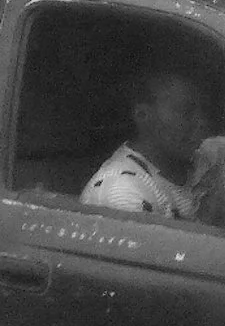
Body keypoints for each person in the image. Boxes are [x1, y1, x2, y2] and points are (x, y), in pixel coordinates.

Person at [82, 68, 212, 219]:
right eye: (186, 112)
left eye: (204, 111)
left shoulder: (206, 164)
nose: (202, 122)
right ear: (143, 115)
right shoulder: (122, 192)